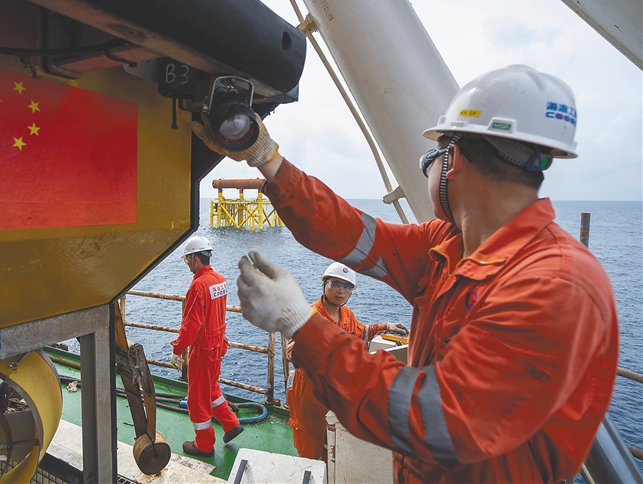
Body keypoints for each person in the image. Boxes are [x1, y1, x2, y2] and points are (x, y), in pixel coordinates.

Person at [193, 65, 618, 482]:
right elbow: (349, 230)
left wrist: (301, 325)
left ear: (453, 159)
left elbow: (439, 420)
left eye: (432, 158)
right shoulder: (448, 245)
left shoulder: (555, 284)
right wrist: (265, 157)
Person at [286, 262, 408, 460]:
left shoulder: (346, 314)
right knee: (310, 443)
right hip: (310, 392)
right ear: (324, 284)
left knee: (333, 441)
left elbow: (360, 332)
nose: (341, 291)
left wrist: (385, 327)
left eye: (347, 286)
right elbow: (291, 351)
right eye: (335, 284)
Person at [170, 235, 244, 457]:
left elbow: (191, 324)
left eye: (188, 259)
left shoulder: (198, 286)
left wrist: (177, 349)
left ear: (195, 258)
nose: (187, 264)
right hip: (218, 345)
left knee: (197, 399)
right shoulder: (220, 280)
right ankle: (231, 424)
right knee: (210, 388)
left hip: (203, 350)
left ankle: (204, 444)